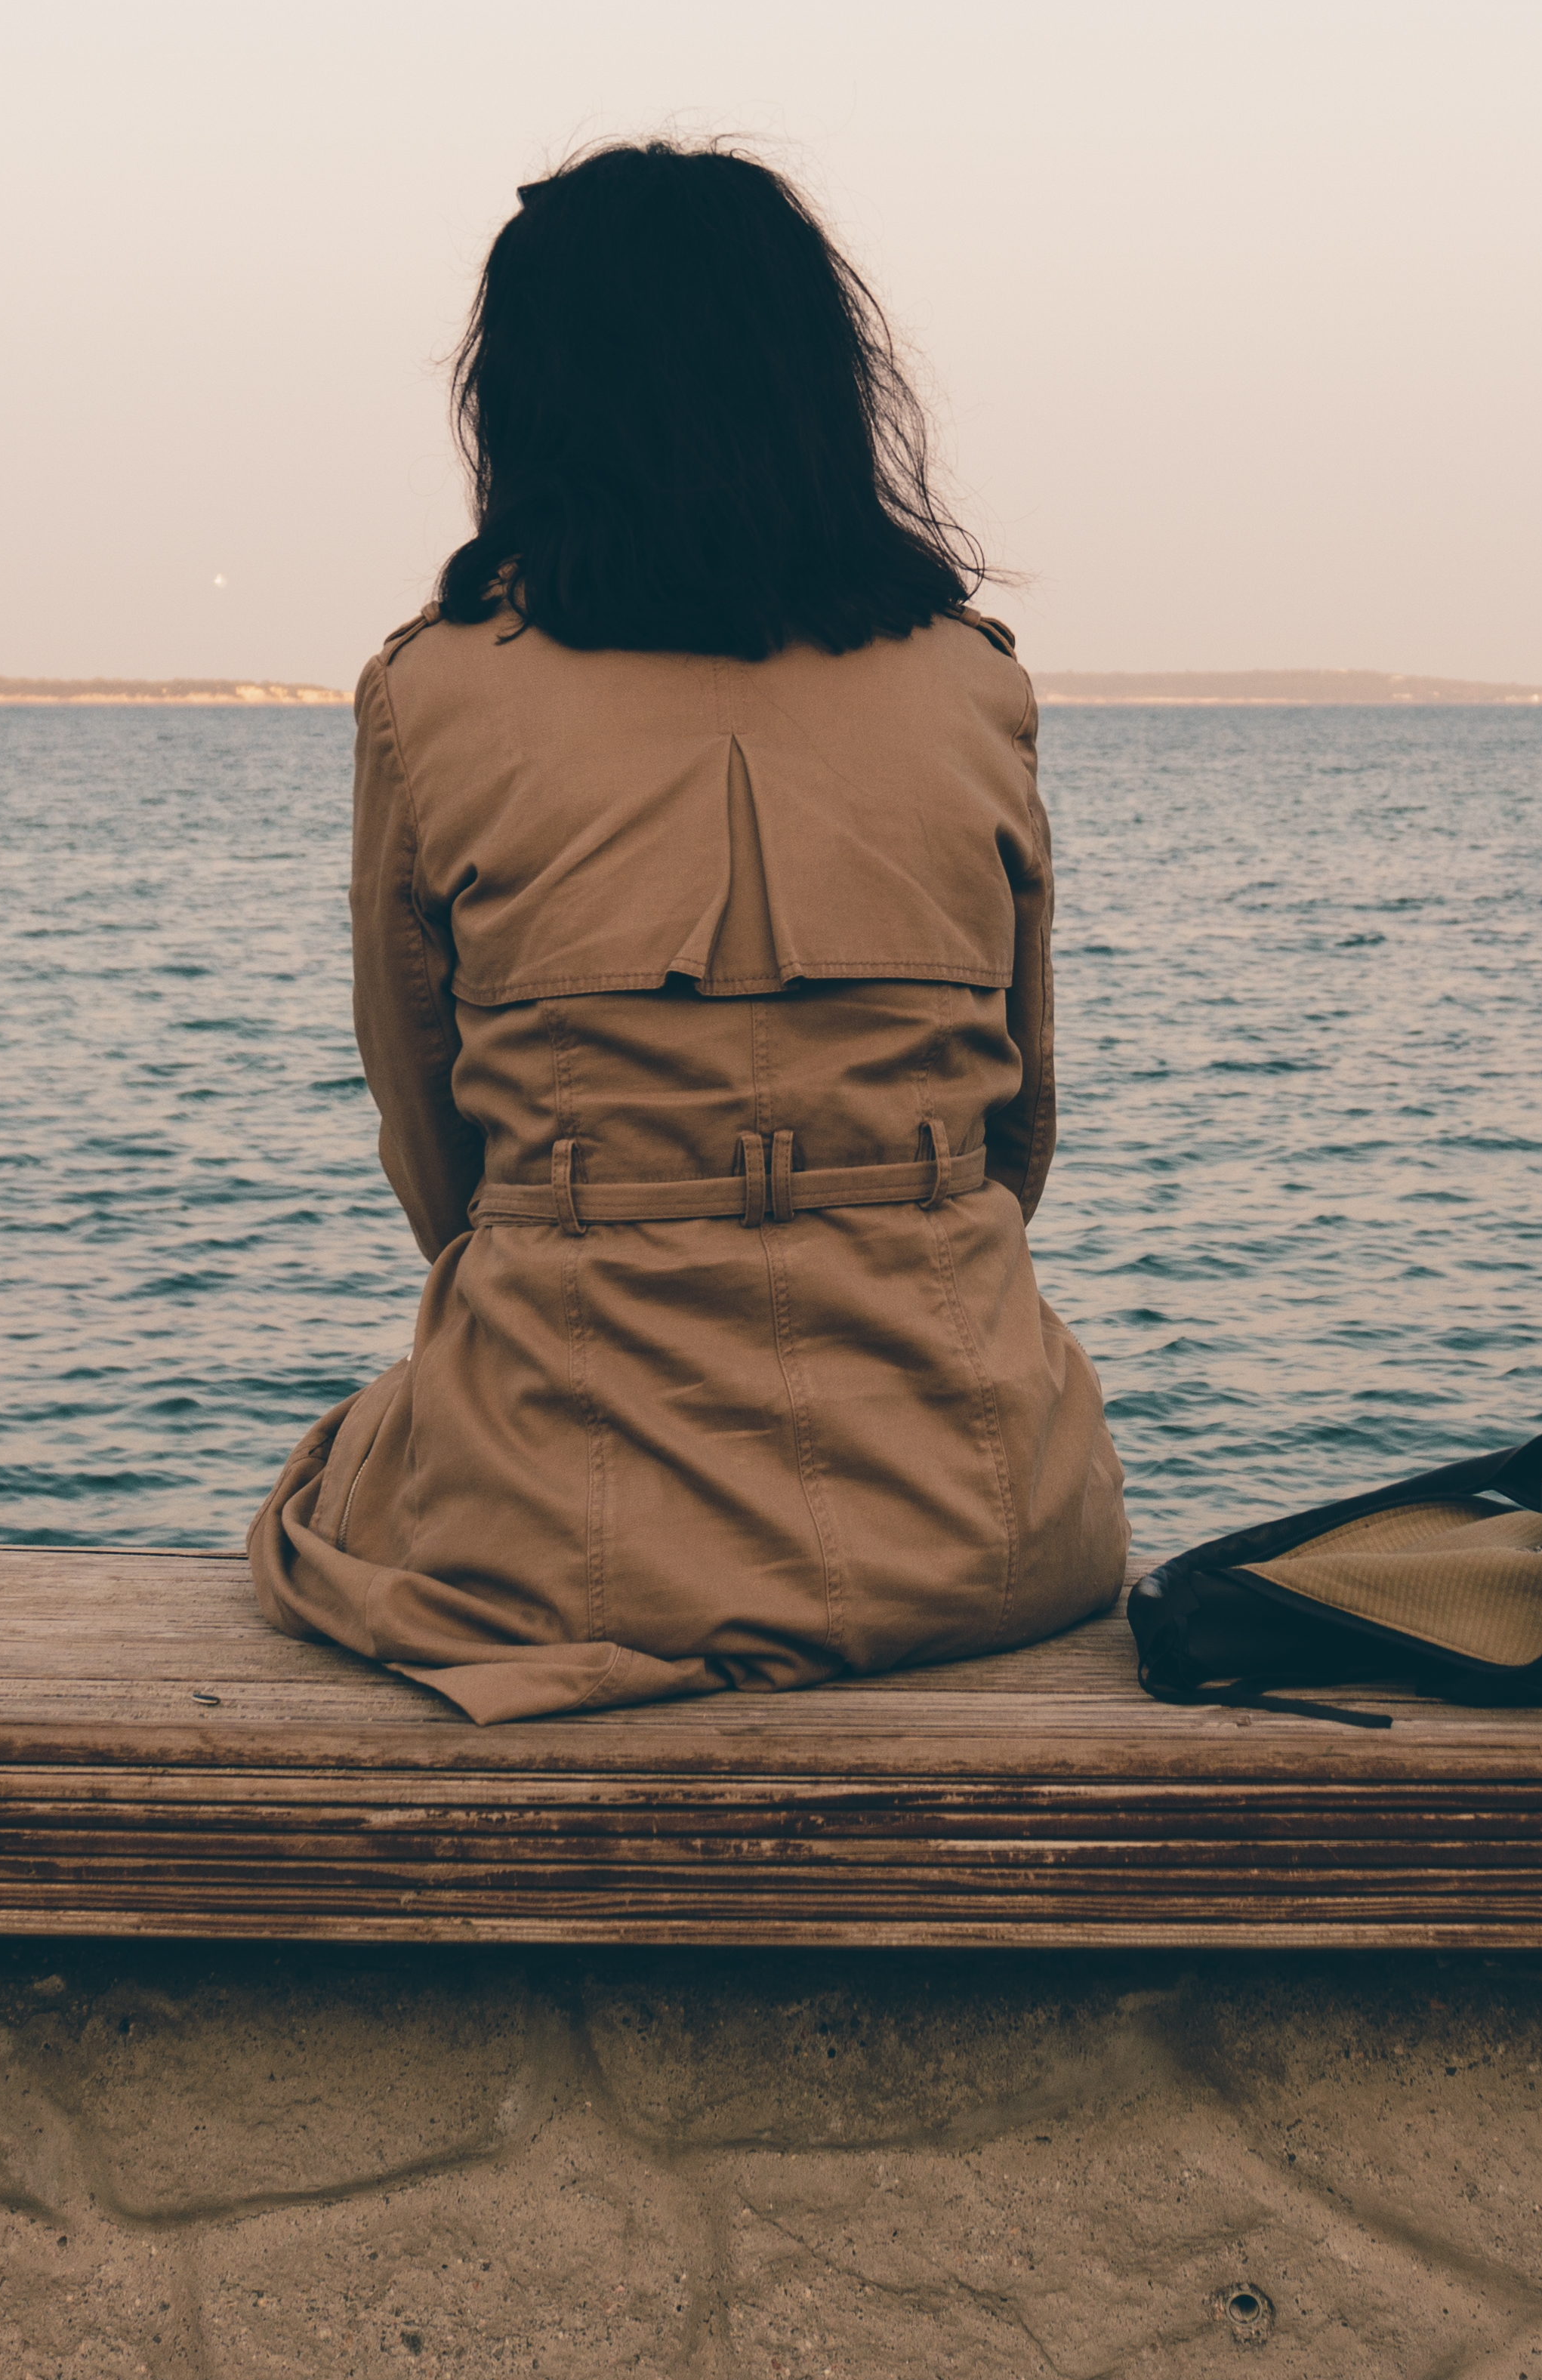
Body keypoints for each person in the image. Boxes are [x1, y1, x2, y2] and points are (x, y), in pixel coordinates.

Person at [247, 143, 1130, 1720]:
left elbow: (436, 1147)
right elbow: (1022, 1130)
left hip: (560, 1532)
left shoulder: (435, 692)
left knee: (334, 1475)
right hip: (984, 1512)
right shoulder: (972, 684)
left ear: (523, 395)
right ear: (821, 382)